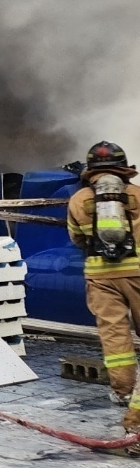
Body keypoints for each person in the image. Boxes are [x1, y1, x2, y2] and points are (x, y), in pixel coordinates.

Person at [67, 141, 140, 431]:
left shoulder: (78, 200)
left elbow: (77, 238)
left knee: (114, 335)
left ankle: (122, 391)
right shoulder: (137, 194)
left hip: (101, 277)